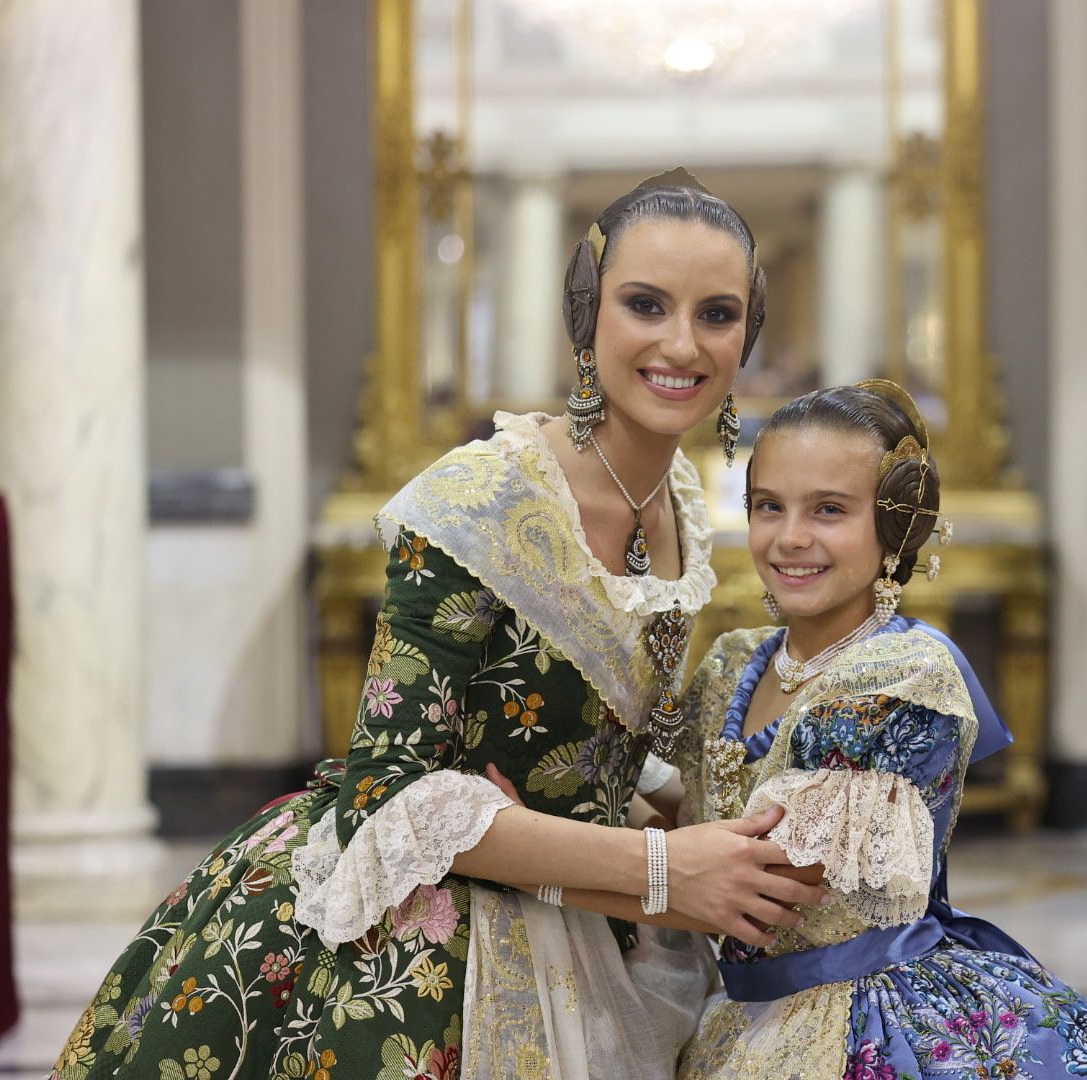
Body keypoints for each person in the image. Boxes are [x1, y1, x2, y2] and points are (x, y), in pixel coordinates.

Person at [46, 171, 829, 1080]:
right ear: (588, 314)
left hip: (597, 912)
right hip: (420, 945)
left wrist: (712, 817)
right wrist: (660, 869)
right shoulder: (484, 496)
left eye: (718, 314)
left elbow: (593, 737)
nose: (681, 343)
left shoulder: (682, 504)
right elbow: (386, 795)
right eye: (645, 305)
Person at [661, 383, 1087, 1079]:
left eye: (829, 510)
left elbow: (766, 884)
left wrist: (545, 872)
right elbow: (680, 818)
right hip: (739, 1015)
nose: (789, 537)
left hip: (865, 1022)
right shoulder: (729, 664)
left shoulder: (905, 674)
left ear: (895, 525)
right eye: (768, 506)